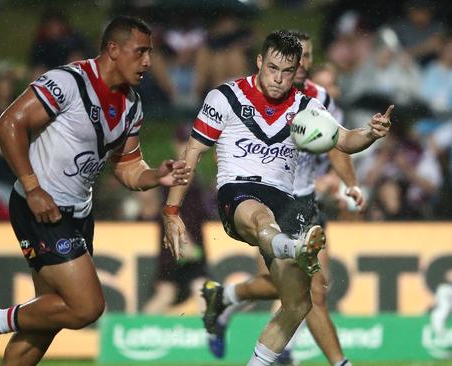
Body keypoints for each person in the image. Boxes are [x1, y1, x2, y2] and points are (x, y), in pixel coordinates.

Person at [0, 16, 190, 366]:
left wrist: (157, 176)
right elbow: (9, 125)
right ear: (113, 49)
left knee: (44, 320)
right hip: (41, 209)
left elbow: (127, 168)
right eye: (140, 52)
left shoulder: (131, 105)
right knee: (87, 307)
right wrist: (33, 189)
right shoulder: (68, 82)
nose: (148, 62)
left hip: (78, 214)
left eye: (150, 53)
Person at [162, 30, 392, 366]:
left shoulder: (306, 107)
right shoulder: (225, 97)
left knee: (298, 301)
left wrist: (371, 132)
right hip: (238, 193)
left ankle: (249, 343)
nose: (278, 79)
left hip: (288, 203)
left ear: (298, 70)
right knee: (260, 218)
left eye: (287, 72)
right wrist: (172, 209)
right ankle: (293, 250)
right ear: (259, 61)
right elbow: (193, 152)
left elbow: (345, 141)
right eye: (272, 68)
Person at [206, 31, 365, 366]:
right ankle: (335, 362)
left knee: (311, 290)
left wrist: (349, 182)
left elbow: (337, 144)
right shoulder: (253, 95)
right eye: (299, 57)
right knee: (302, 290)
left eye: (306, 57)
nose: (301, 63)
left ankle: (227, 297)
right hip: (271, 199)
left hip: (306, 201)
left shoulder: (319, 99)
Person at [142, 125, 212, 314]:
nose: (186, 148)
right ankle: (135, 330)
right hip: (177, 241)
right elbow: (169, 210)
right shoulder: (175, 174)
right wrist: (183, 240)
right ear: (175, 144)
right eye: (183, 142)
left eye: (190, 143)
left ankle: (207, 336)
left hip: (193, 243)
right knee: (167, 293)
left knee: (199, 290)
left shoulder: (195, 174)